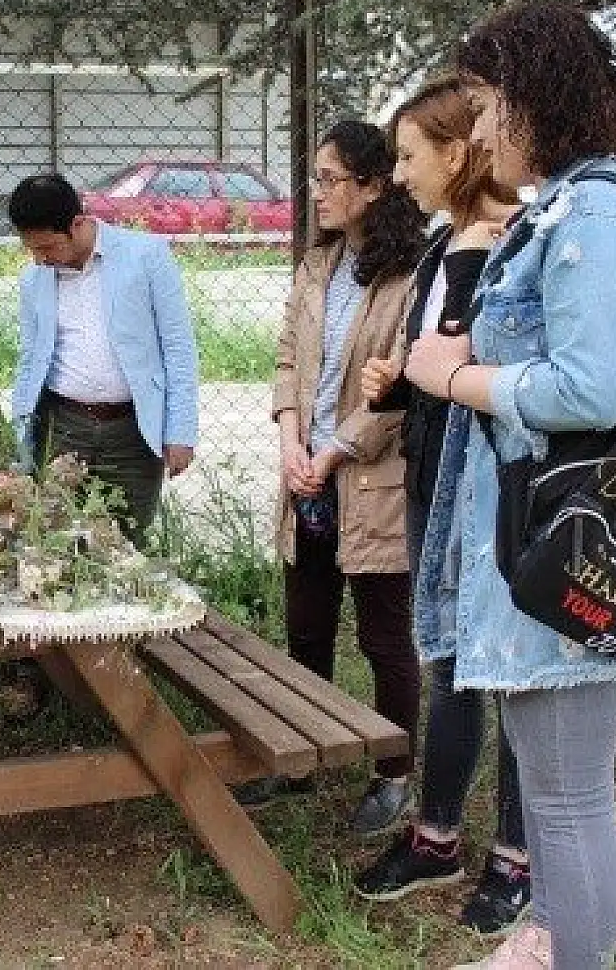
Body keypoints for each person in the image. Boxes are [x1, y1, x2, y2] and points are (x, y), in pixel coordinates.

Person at [402, 1, 616, 969]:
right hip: (536, 549)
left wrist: (455, 375)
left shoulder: (595, 211)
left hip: (570, 546)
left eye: (484, 106)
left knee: (565, 805)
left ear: (535, 98)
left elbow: (591, 383)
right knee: (562, 797)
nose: (476, 131)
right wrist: (472, 344)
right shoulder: (563, 208)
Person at [350, 78, 532, 937]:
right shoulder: (443, 243)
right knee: (449, 658)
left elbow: (501, 377)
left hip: (498, 494)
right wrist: (394, 387)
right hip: (432, 480)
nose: (399, 172)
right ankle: (438, 838)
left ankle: (520, 860)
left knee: (514, 668)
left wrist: (428, 368)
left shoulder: (512, 246)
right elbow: (433, 368)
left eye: (410, 155)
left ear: (458, 154)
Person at [237, 120, 427, 836]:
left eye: (330, 179)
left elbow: (402, 390)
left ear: (374, 187)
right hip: (306, 477)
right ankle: (303, 760)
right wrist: (292, 444)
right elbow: (289, 362)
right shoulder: (316, 266)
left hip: (368, 483)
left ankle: (393, 775)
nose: (317, 193)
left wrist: (335, 452)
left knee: (383, 640)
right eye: (315, 178)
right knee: (307, 631)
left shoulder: (410, 277)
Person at [6, 172, 199, 547]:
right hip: (62, 428)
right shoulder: (34, 279)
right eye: (32, 250)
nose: (40, 259)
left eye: (47, 248)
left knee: (127, 546)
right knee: (56, 544)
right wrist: (21, 435)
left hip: (133, 433)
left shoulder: (147, 258)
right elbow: (29, 359)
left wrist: (180, 431)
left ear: (77, 225)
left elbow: (178, 348)